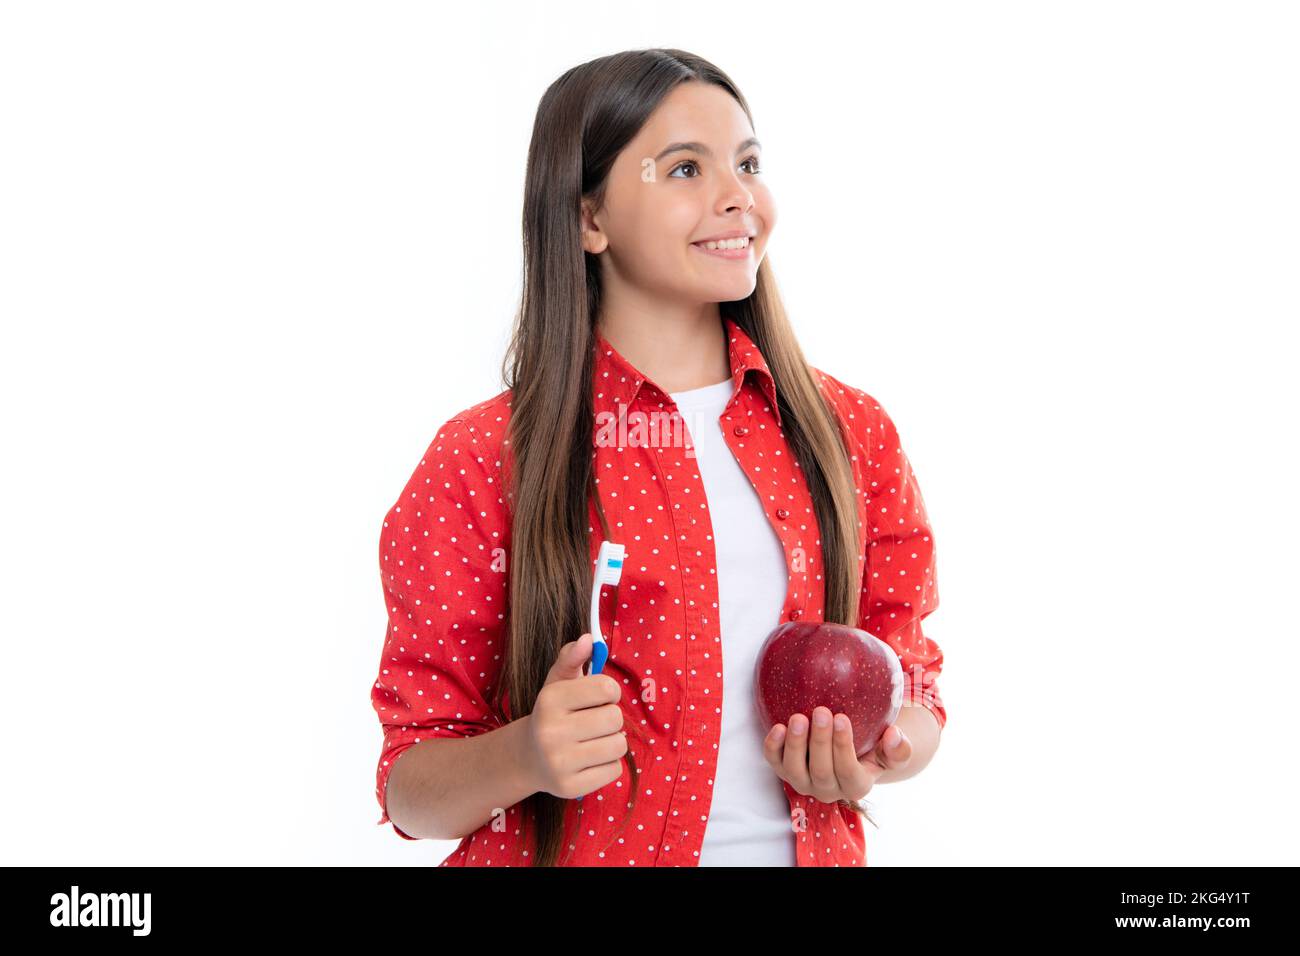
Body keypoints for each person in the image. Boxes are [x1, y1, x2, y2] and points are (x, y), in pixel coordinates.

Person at [370, 48, 947, 867]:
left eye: (748, 163)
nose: (737, 196)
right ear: (588, 219)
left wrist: (884, 752)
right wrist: (526, 755)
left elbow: (914, 680)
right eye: (684, 168)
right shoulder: (481, 459)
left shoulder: (850, 432)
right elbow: (409, 785)